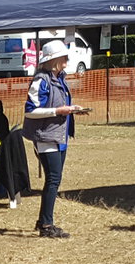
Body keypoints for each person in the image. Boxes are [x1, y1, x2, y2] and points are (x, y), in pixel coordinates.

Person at [21, 40, 89, 238]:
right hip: (46, 136)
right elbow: (30, 111)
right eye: (64, 57)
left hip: (59, 135)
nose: (67, 60)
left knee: (54, 180)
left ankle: (44, 220)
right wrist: (58, 111)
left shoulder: (59, 79)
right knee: (53, 180)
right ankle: (47, 226)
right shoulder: (41, 80)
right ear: (53, 60)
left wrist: (72, 109)